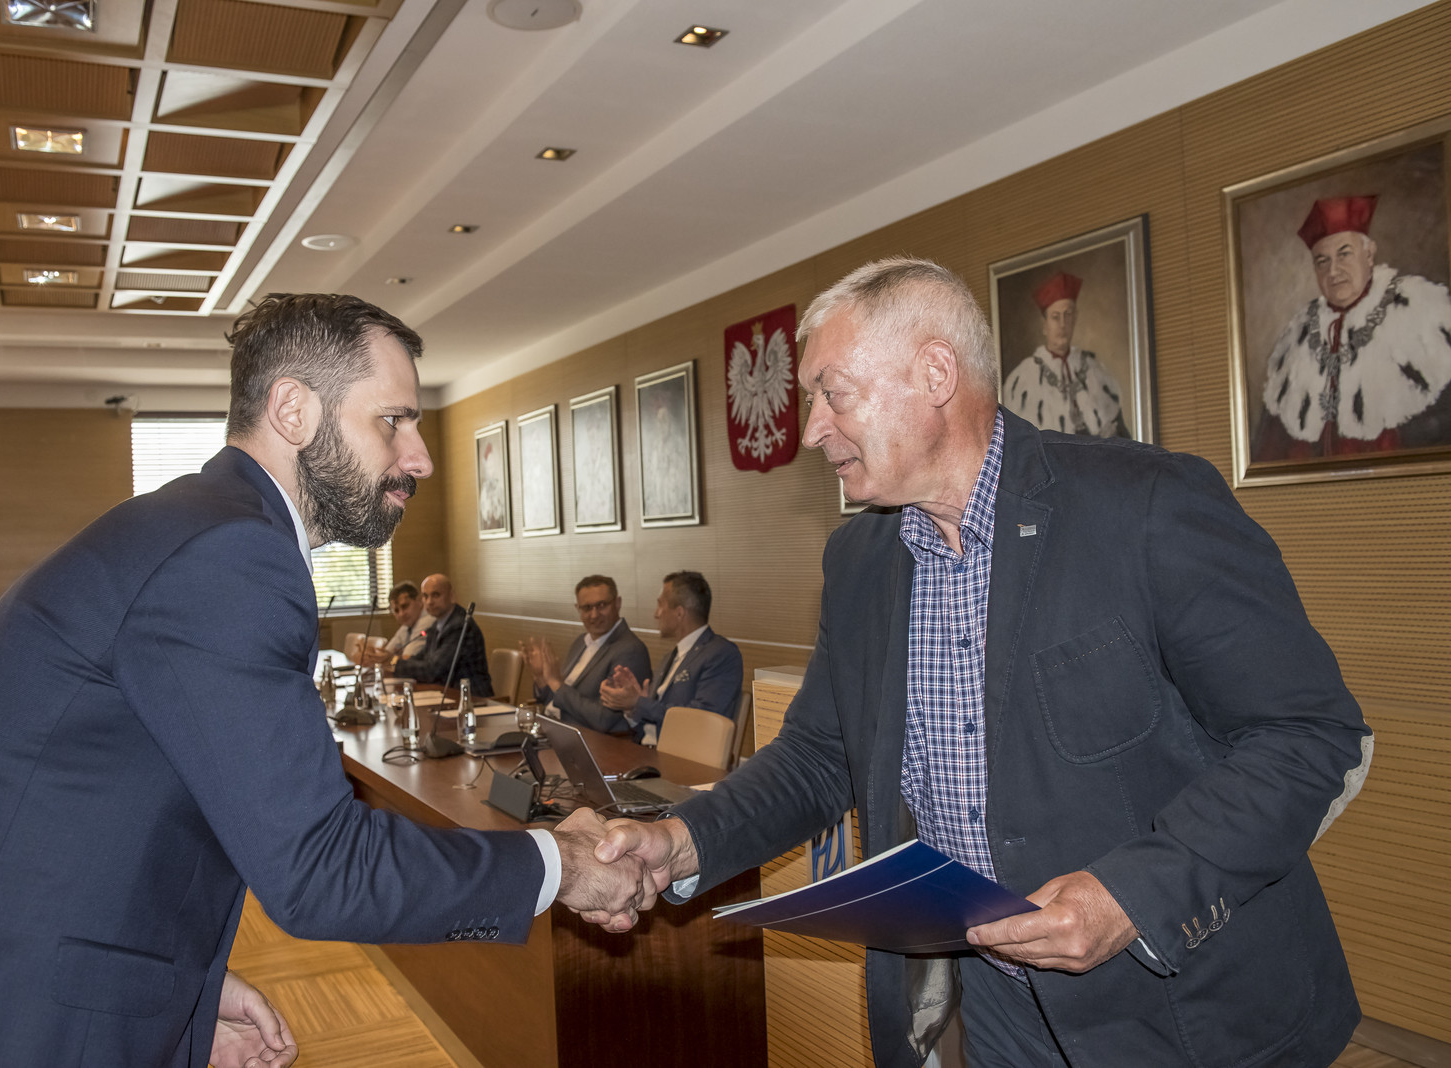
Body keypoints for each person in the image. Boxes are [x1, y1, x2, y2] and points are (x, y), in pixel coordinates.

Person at [591, 258, 1373, 1067]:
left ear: (935, 374)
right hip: (991, 1011)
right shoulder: (858, 562)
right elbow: (821, 756)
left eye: (832, 393)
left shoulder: (1144, 504)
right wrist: (682, 841)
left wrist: (1131, 895)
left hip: (1187, 1010)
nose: (812, 429)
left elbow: (1308, 735)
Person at [0, 293, 646, 1067]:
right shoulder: (228, 554)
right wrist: (561, 863)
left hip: (12, 988)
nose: (420, 457)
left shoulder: (197, 528)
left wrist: (186, 986)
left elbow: (110, 809)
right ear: (293, 410)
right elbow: (321, 868)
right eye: (394, 421)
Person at [1253, 194, 1451, 460]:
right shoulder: (1298, 335)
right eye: (1322, 261)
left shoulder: (1421, 312)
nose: (1333, 271)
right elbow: (1270, 445)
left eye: (1344, 254)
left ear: (1368, 254)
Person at [598, 571, 742, 745]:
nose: (656, 614)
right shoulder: (670, 657)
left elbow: (702, 720)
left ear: (679, 613)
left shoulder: (721, 654)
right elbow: (649, 725)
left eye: (660, 605)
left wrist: (639, 703)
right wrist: (631, 708)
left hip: (684, 756)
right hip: (647, 750)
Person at [1000, 271, 1129, 438]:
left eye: (1068, 315)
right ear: (1044, 324)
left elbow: (1122, 436)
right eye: (1055, 317)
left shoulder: (1095, 369)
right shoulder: (1023, 377)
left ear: (1075, 318)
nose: (1062, 324)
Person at [521, 574, 651, 736]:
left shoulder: (629, 650)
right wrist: (542, 678)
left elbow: (604, 720)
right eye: (587, 608)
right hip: (555, 731)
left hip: (592, 741)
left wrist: (556, 683)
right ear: (578, 609)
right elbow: (556, 700)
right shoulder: (581, 642)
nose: (594, 615)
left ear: (617, 603)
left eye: (601, 605)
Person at [388, 573, 493, 696]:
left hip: (472, 698)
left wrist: (393, 663)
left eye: (436, 595)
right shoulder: (437, 625)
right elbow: (422, 658)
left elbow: (433, 671)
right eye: (425, 596)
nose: (429, 602)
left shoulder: (459, 625)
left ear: (452, 596)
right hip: (449, 694)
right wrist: (393, 660)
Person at [373, 580, 437, 661]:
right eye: (396, 610)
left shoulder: (428, 621)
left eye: (405, 606)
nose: (401, 614)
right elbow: (387, 653)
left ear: (419, 601)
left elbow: (407, 659)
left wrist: (389, 658)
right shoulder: (407, 626)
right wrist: (374, 656)